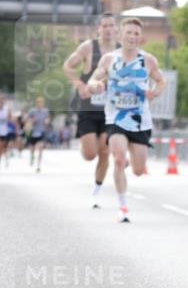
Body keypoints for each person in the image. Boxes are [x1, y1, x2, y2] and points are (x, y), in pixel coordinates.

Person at [87, 17, 165, 223]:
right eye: (128, 32)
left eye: (136, 33)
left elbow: (161, 80)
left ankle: (128, 160)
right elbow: (93, 79)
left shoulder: (148, 60)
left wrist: (155, 92)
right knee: (119, 159)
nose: (132, 36)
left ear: (141, 38)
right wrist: (95, 85)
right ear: (120, 34)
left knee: (138, 171)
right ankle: (123, 207)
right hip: (116, 118)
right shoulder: (109, 59)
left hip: (140, 121)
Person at [63, 12, 119, 206]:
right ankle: (86, 144)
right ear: (99, 29)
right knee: (90, 155)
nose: (108, 29)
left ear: (116, 28)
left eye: (111, 25)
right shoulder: (88, 47)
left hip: (111, 110)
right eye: (105, 26)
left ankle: (97, 190)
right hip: (88, 108)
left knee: (105, 150)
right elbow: (68, 66)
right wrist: (80, 85)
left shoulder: (121, 51)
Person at [26, 96, 50, 172]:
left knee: (40, 148)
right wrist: (32, 120)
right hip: (33, 132)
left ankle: (38, 165)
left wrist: (47, 121)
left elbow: (47, 119)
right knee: (32, 148)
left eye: (41, 103)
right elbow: (26, 119)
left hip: (41, 132)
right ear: (36, 103)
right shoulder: (32, 111)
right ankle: (32, 156)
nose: (40, 104)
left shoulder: (45, 111)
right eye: (39, 103)